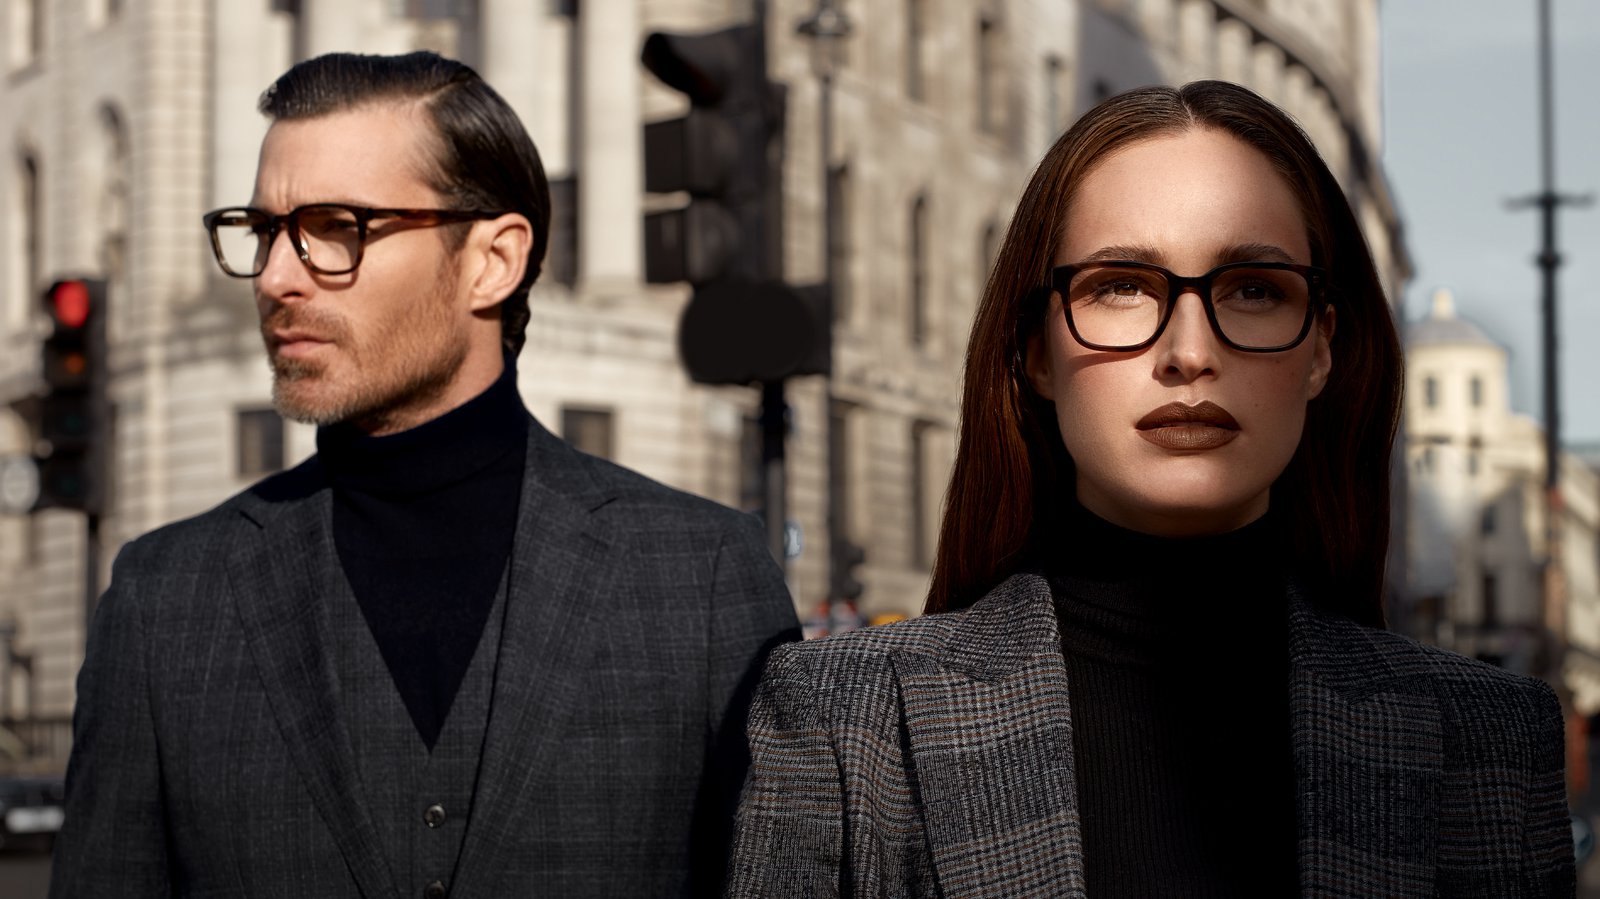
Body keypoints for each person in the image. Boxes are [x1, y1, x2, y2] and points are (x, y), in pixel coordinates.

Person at [726, 81, 1574, 898]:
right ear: (1035, 353)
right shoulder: (844, 719)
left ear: (1322, 349)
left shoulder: (1485, 737)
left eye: (1252, 289)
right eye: (1122, 286)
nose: (1190, 351)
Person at [50, 51, 798, 899]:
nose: (276, 277)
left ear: (492, 262)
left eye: (339, 227)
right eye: (264, 231)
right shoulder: (164, 601)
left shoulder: (702, 576)